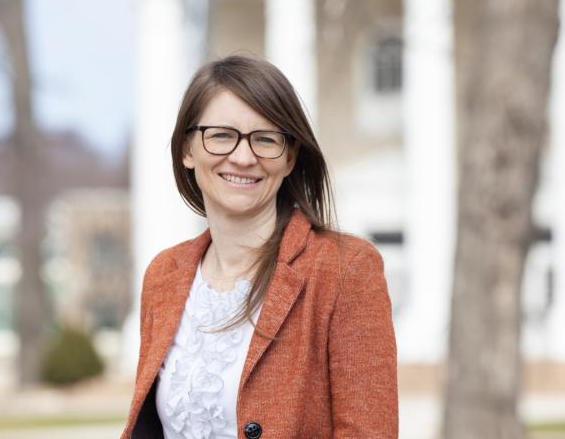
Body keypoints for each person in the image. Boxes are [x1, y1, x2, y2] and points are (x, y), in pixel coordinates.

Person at [121, 55, 397, 439]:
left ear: (289, 157)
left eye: (265, 139)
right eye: (220, 135)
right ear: (187, 150)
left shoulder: (344, 268)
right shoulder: (164, 275)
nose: (243, 157)